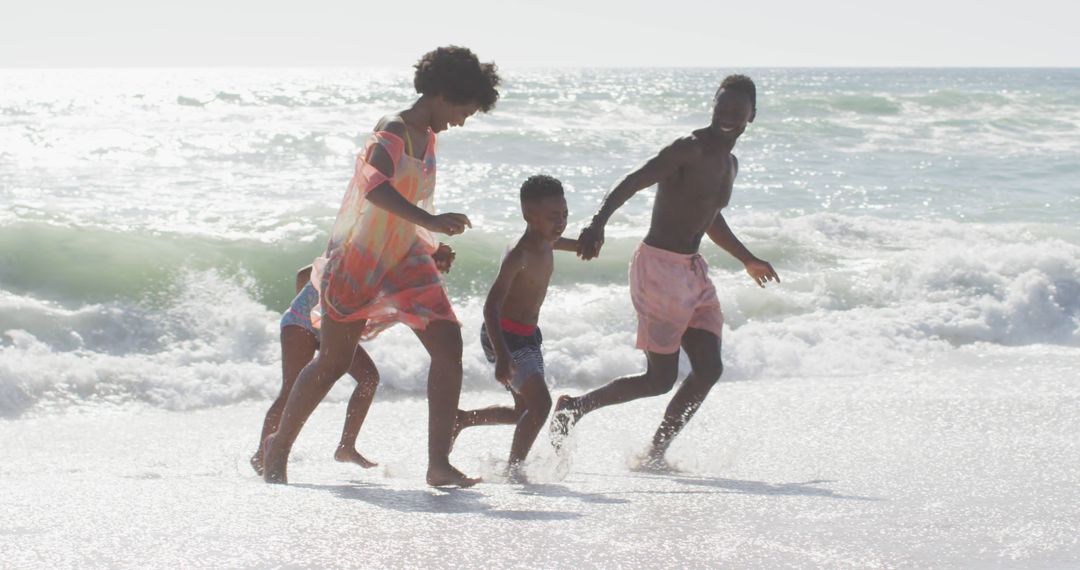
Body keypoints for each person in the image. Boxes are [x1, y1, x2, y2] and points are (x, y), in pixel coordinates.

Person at [261, 46, 500, 487]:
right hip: (360, 261)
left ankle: (438, 464)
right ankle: (276, 450)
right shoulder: (393, 129)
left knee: (449, 347)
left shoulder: (428, 138)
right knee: (333, 362)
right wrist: (428, 220)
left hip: (403, 257)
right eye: (464, 109)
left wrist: (428, 245)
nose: (463, 120)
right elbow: (374, 188)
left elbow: (406, 205)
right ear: (444, 93)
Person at [551, 75, 780, 471]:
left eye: (736, 112)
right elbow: (633, 181)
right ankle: (573, 409)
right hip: (658, 267)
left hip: (693, 271)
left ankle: (655, 452)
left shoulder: (730, 163)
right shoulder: (688, 149)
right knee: (659, 380)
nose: (727, 117)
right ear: (712, 106)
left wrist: (747, 259)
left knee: (709, 369)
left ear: (752, 116)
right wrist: (597, 223)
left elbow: (710, 218)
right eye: (721, 108)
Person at [250, 243, 453, 475]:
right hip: (301, 323)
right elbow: (304, 274)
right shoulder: (364, 253)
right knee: (290, 390)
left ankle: (346, 446)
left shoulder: (397, 273)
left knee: (369, 378)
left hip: (332, 329)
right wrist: (311, 310)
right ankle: (261, 454)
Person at [480, 175, 578, 482]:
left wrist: (582, 245)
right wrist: (502, 355)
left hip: (527, 337)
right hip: (505, 337)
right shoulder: (519, 254)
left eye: (564, 214)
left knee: (522, 411)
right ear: (528, 216)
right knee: (540, 405)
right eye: (552, 217)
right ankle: (514, 469)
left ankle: (462, 420)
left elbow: (557, 242)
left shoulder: (547, 240)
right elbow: (490, 306)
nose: (560, 222)